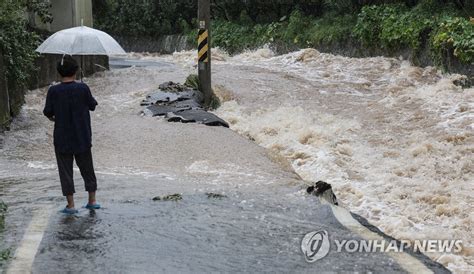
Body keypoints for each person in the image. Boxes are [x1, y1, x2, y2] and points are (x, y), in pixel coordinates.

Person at [43, 55, 100, 214]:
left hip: (62, 138)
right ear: (76, 71)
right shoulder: (83, 88)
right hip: (82, 136)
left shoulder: (53, 90)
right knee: (87, 168)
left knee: (65, 171)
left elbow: (48, 112)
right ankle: (92, 200)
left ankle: (71, 205)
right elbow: (92, 106)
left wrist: (54, 118)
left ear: (59, 72)